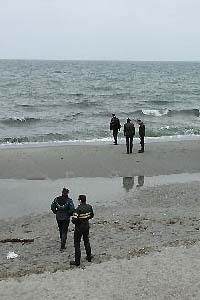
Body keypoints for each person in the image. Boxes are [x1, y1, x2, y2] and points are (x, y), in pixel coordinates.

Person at [70, 194, 94, 266]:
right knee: (86, 241)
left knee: (77, 243)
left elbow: (74, 220)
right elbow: (92, 215)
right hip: (86, 226)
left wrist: (77, 221)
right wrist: (85, 218)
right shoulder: (89, 207)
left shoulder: (78, 209)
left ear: (80, 200)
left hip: (79, 227)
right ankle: (89, 257)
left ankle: (77, 262)